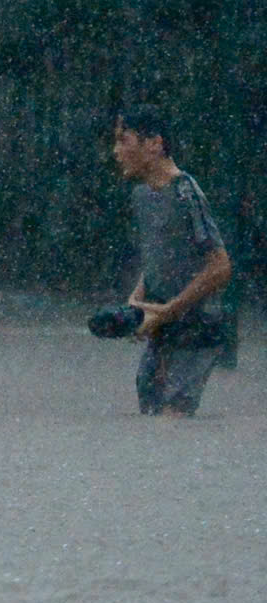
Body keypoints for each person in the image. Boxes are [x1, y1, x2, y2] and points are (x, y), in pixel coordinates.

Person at [110, 105, 233, 417]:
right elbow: (160, 255)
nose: (116, 151)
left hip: (197, 326)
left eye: (124, 141)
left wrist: (170, 310)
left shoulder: (185, 192)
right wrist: (137, 300)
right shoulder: (141, 195)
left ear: (154, 144)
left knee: (173, 419)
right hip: (163, 327)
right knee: (150, 413)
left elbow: (220, 266)